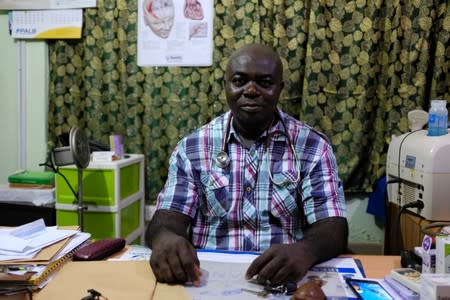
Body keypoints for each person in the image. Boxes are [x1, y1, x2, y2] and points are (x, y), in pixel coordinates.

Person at [146, 43, 348, 286]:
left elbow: (333, 226)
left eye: (264, 82)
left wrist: (306, 250)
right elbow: (167, 219)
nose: (251, 91)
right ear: (226, 86)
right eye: (240, 81)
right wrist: (165, 238)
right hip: (207, 281)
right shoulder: (193, 147)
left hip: (282, 278)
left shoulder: (312, 147)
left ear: (280, 88)